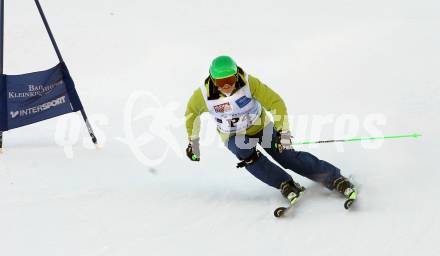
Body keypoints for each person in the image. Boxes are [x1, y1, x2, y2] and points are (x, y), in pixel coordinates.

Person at [184, 56, 356, 208]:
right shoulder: (202, 95)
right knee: (244, 152)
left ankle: (334, 178)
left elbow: (276, 103)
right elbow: (191, 114)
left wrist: (284, 132)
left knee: (286, 156)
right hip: (233, 135)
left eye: (230, 79)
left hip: (261, 127)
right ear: (212, 80)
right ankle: (285, 183)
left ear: (236, 75)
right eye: (221, 82)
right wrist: (194, 143)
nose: (227, 86)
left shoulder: (250, 84)